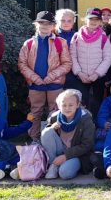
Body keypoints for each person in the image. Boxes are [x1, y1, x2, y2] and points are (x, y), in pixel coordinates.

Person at [18, 11, 72, 140]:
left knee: (55, 112)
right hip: (36, 85)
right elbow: (22, 64)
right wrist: (35, 78)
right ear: (36, 24)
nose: (45, 26)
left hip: (55, 84)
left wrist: (51, 76)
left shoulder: (60, 42)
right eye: (41, 23)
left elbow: (67, 63)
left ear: (53, 25)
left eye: (48, 23)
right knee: (35, 112)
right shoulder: (29, 43)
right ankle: (34, 139)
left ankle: (54, 140)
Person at [41, 89, 96, 180]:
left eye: (71, 105)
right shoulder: (54, 117)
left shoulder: (86, 119)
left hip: (77, 154)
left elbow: (87, 145)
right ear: (59, 106)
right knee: (47, 132)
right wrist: (52, 128)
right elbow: (46, 138)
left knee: (64, 173)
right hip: (59, 150)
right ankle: (53, 165)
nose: (67, 108)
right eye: (64, 105)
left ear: (77, 105)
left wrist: (66, 156)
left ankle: (59, 165)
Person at [71, 8, 111, 115]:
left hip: (97, 78)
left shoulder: (104, 38)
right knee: (82, 103)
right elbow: (72, 56)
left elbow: (107, 58)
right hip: (81, 77)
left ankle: (95, 126)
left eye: (97, 19)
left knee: (96, 104)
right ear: (85, 20)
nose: (93, 22)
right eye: (91, 19)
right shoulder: (76, 37)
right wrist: (79, 73)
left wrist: (97, 74)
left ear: (100, 21)